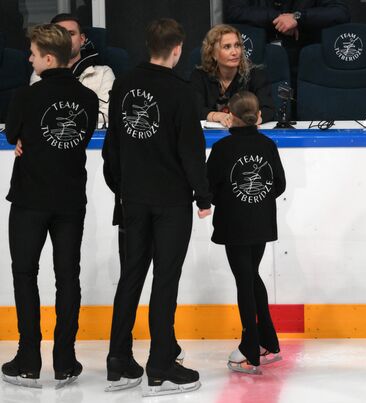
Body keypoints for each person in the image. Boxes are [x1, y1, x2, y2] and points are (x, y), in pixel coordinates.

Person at [102, 18, 211, 396]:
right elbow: (191, 151)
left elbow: (111, 146)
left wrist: (124, 188)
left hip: (132, 198)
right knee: (165, 279)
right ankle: (161, 366)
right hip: (170, 202)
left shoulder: (123, 84)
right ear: (177, 49)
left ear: (149, 46)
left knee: (130, 276)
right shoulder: (181, 92)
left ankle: (118, 361)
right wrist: (203, 195)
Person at [1, 23, 98, 389]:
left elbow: (12, 134)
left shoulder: (25, 97)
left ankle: (28, 358)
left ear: (49, 57)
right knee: (67, 277)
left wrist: (27, 138)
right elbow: (78, 137)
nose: (28, 58)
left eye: (33, 53)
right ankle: (65, 359)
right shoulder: (88, 99)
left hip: (29, 199)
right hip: (70, 200)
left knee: (25, 274)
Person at [207, 91, 285, 374]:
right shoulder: (268, 145)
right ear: (259, 116)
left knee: (245, 280)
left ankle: (250, 348)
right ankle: (268, 341)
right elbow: (279, 185)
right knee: (251, 276)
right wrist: (258, 201)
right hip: (261, 223)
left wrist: (230, 201)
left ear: (230, 116)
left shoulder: (222, 149)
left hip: (235, 224)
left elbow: (209, 187)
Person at [223, 0, 350, 89]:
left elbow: (340, 12)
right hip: (259, 58)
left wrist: (298, 18)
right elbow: (234, 11)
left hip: (304, 58)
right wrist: (279, 18)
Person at [30, 14, 115, 125]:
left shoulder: (103, 73)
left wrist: (63, 120)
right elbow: (34, 115)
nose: (66, 40)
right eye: (59, 35)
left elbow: (108, 115)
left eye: (71, 33)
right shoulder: (40, 73)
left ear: (82, 39)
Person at [190, 24, 275, 127]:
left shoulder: (255, 75)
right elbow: (194, 108)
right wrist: (217, 116)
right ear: (213, 54)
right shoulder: (200, 76)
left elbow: (269, 109)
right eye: (227, 47)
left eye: (237, 45)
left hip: (245, 133)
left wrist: (255, 119)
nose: (235, 52)